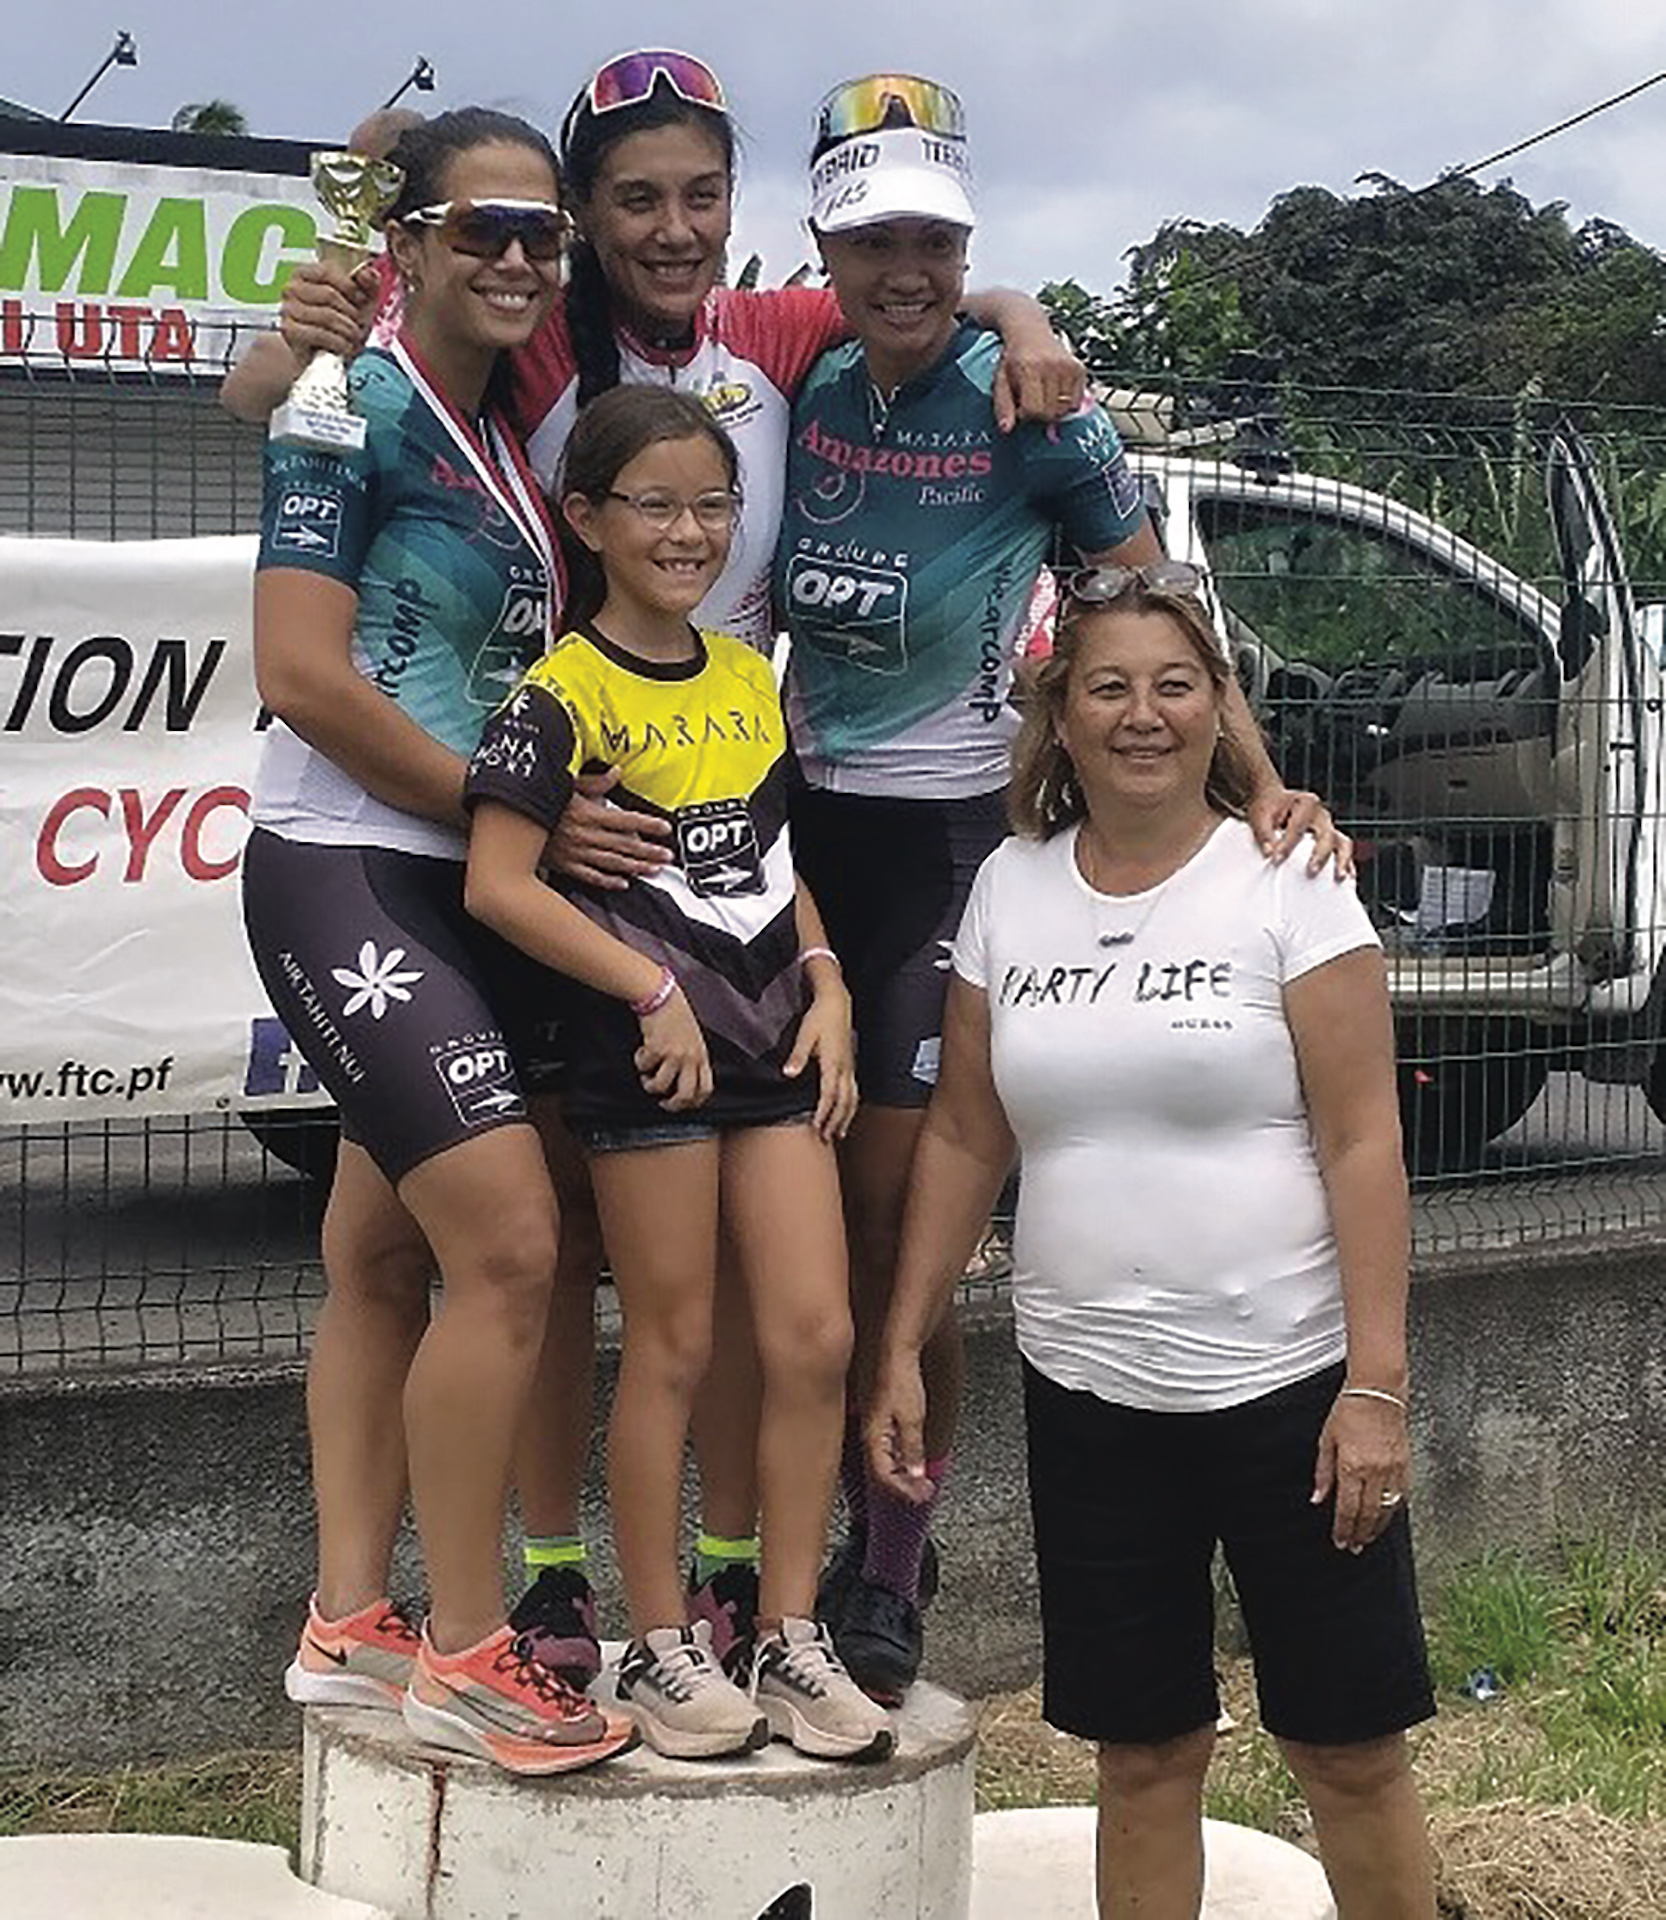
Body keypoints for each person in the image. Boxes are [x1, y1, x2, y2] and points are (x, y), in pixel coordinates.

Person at [222, 48, 1089, 1689]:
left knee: (849, 1243)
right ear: (570, 219)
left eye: (701, 195)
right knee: (514, 1231)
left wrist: (1032, 327)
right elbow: (290, 390)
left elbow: (924, 290)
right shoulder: (523, 331)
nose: (671, 229)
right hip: (545, 835)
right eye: (630, 200)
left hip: (755, 826)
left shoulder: (768, 329)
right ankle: (539, 1590)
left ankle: (836, 1579)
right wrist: (293, 336)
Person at [777, 73, 1347, 1703]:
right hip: (798, 825)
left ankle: (889, 1565)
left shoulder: (1035, 403)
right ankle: (763, 1567)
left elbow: (1149, 611)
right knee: (785, 1237)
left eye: (937, 241)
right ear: (825, 238)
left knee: (898, 1235)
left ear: (966, 245)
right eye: (874, 234)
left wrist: (1253, 778)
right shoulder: (789, 365)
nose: (906, 267)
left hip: (950, 843)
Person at [867, 565, 1438, 1916]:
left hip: (1292, 1393)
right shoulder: (1009, 887)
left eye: (1173, 686)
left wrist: (1374, 1387)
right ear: (1057, 716)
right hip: (1089, 1396)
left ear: (1216, 709)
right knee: (1140, 1753)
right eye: (1107, 687)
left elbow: (1364, 1143)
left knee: (1344, 1749)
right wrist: (899, 1338)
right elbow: (961, 1136)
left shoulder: (1290, 878)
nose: (1141, 716)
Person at [242, 106, 638, 1776]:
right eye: (477, 226)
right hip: (350, 867)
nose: (517, 258)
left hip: (447, 882)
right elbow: (303, 679)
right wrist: (509, 800)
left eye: (540, 234)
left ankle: (348, 1621)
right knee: (516, 1254)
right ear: (400, 245)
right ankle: (473, 1654)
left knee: (385, 1259)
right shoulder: (355, 400)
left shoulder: (506, 420)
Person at [462, 384, 893, 1763]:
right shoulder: (556, 694)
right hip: (646, 1064)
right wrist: (646, 989)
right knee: (675, 1347)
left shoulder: (746, 676)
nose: (687, 531)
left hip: (775, 1050)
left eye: (713, 504)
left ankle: (782, 1634)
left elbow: (776, 865)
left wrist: (824, 983)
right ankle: (653, 1647)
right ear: (585, 519)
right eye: (653, 504)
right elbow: (497, 885)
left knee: (814, 1338)